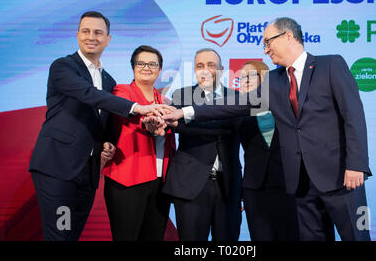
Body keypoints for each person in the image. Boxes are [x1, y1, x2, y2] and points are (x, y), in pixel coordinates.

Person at [163, 17, 372, 241]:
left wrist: (356, 165)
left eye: (268, 42)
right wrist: (183, 112)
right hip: (300, 183)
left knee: (357, 236)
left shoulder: (330, 65)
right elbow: (234, 104)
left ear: (288, 36)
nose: (266, 50)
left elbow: (354, 116)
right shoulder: (273, 80)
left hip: (342, 177)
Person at [28, 11, 172, 241]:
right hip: (59, 169)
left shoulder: (108, 81)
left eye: (98, 32)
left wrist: (107, 143)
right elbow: (88, 95)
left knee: (71, 234)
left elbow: (103, 121)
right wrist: (137, 107)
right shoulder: (63, 67)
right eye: (86, 31)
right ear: (77, 35)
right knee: (60, 233)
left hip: (87, 172)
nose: (91, 37)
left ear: (108, 39)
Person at [160, 48, 242, 241]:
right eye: (200, 66)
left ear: (221, 70)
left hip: (228, 186)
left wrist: (190, 121)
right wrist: (222, 124)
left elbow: (236, 131)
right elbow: (179, 128)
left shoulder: (238, 98)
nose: (205, 70)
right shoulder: (182, 95)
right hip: (190, 186)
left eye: (211, 65)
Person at [101, 45, 176, 241]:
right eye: (141, 63)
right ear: (133, 67)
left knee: (154, 236)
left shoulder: (165, 100)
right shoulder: (122, 91)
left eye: (153, 64)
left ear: (160, 70)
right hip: (128, 178)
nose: (146, 67)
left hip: (161, 181)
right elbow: (133, 112)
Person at [237, 60, 299, 241]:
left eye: (250, 76)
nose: (245, 80)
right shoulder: (236, 110)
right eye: (241, 78)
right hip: (255, 187)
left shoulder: (285, 103)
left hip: (288, 184)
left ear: (265, 78)